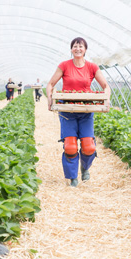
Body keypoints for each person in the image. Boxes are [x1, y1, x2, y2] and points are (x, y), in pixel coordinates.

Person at [46, 37, 110, 187]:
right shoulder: (64, 66)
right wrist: (50, 98)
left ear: (85, 49)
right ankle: (73, 177)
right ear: (71, 49)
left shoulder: (92, 67)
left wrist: (106, 99)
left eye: (81, 46)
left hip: (86, 110)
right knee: (70, 145)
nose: (78, 49)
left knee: (89, 146)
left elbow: (106, 86)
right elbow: (50, 84)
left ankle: (85, 167)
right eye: (75, 46)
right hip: (68, 110)